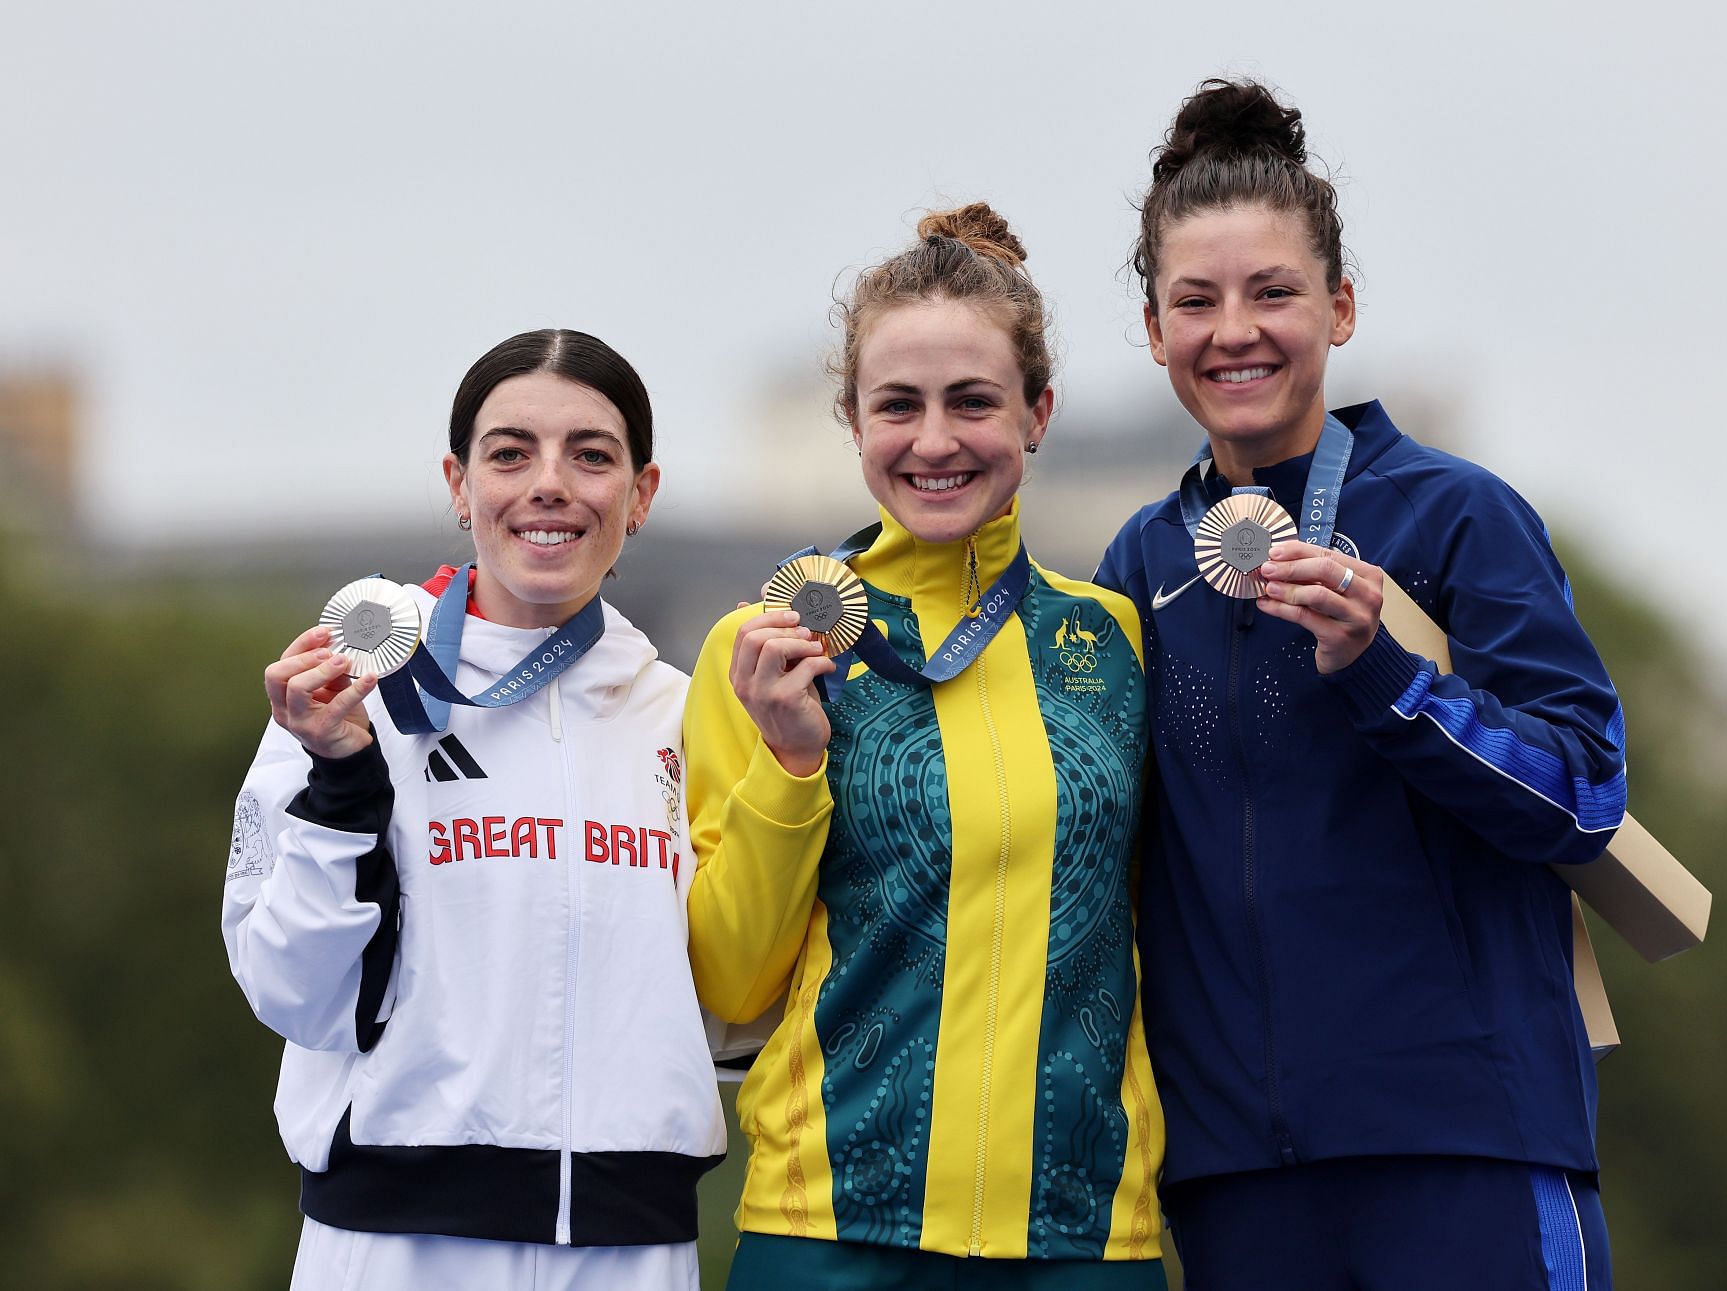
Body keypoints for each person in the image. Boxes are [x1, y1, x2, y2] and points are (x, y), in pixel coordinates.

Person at [1096, 80, 1625, 1290]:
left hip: (1466, 1144)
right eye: (1197, 300)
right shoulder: (1138, 561)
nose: (1235, 330)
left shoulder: (1455, 516)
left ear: (1338, 306)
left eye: (1273, 292)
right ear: (1152, 324)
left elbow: (1588, 796)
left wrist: (1386, 674)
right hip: (1234, 1174)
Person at [684, 204, 1167, 1289]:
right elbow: (729, 971)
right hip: (829, 1235)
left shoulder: (1117, 638)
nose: (936, 440)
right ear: (853, 422)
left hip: (1085, 1237)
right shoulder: (763, 647)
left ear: (1038, 413)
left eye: (974, 402)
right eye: (897, 405)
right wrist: (791, 762)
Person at [221, 329, 726, 1291]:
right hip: (396, 1245)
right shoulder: (344, 695)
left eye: (591, 454)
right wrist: (340, 783)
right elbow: (290, 988)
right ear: (459, 485)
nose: (550, 483)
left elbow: (729, 995)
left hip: (630, 1247)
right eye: (509, 452)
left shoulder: (685, 713)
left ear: (641, 493)